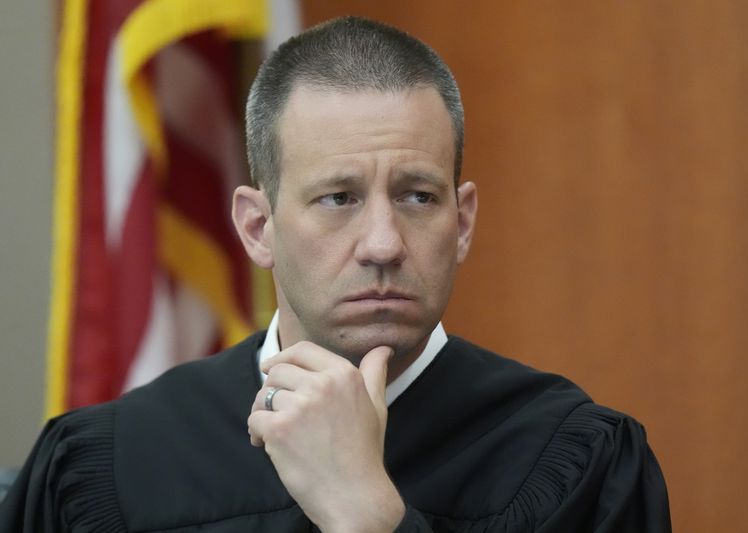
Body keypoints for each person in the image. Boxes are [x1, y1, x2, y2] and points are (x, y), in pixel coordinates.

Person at [0, 16, 671, 532]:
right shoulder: (114, 466)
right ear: (257, 227)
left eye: (417, 195)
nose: (382, 243)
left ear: (461, 223)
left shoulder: (576, 462)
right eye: (338, 198)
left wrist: (369, 516)